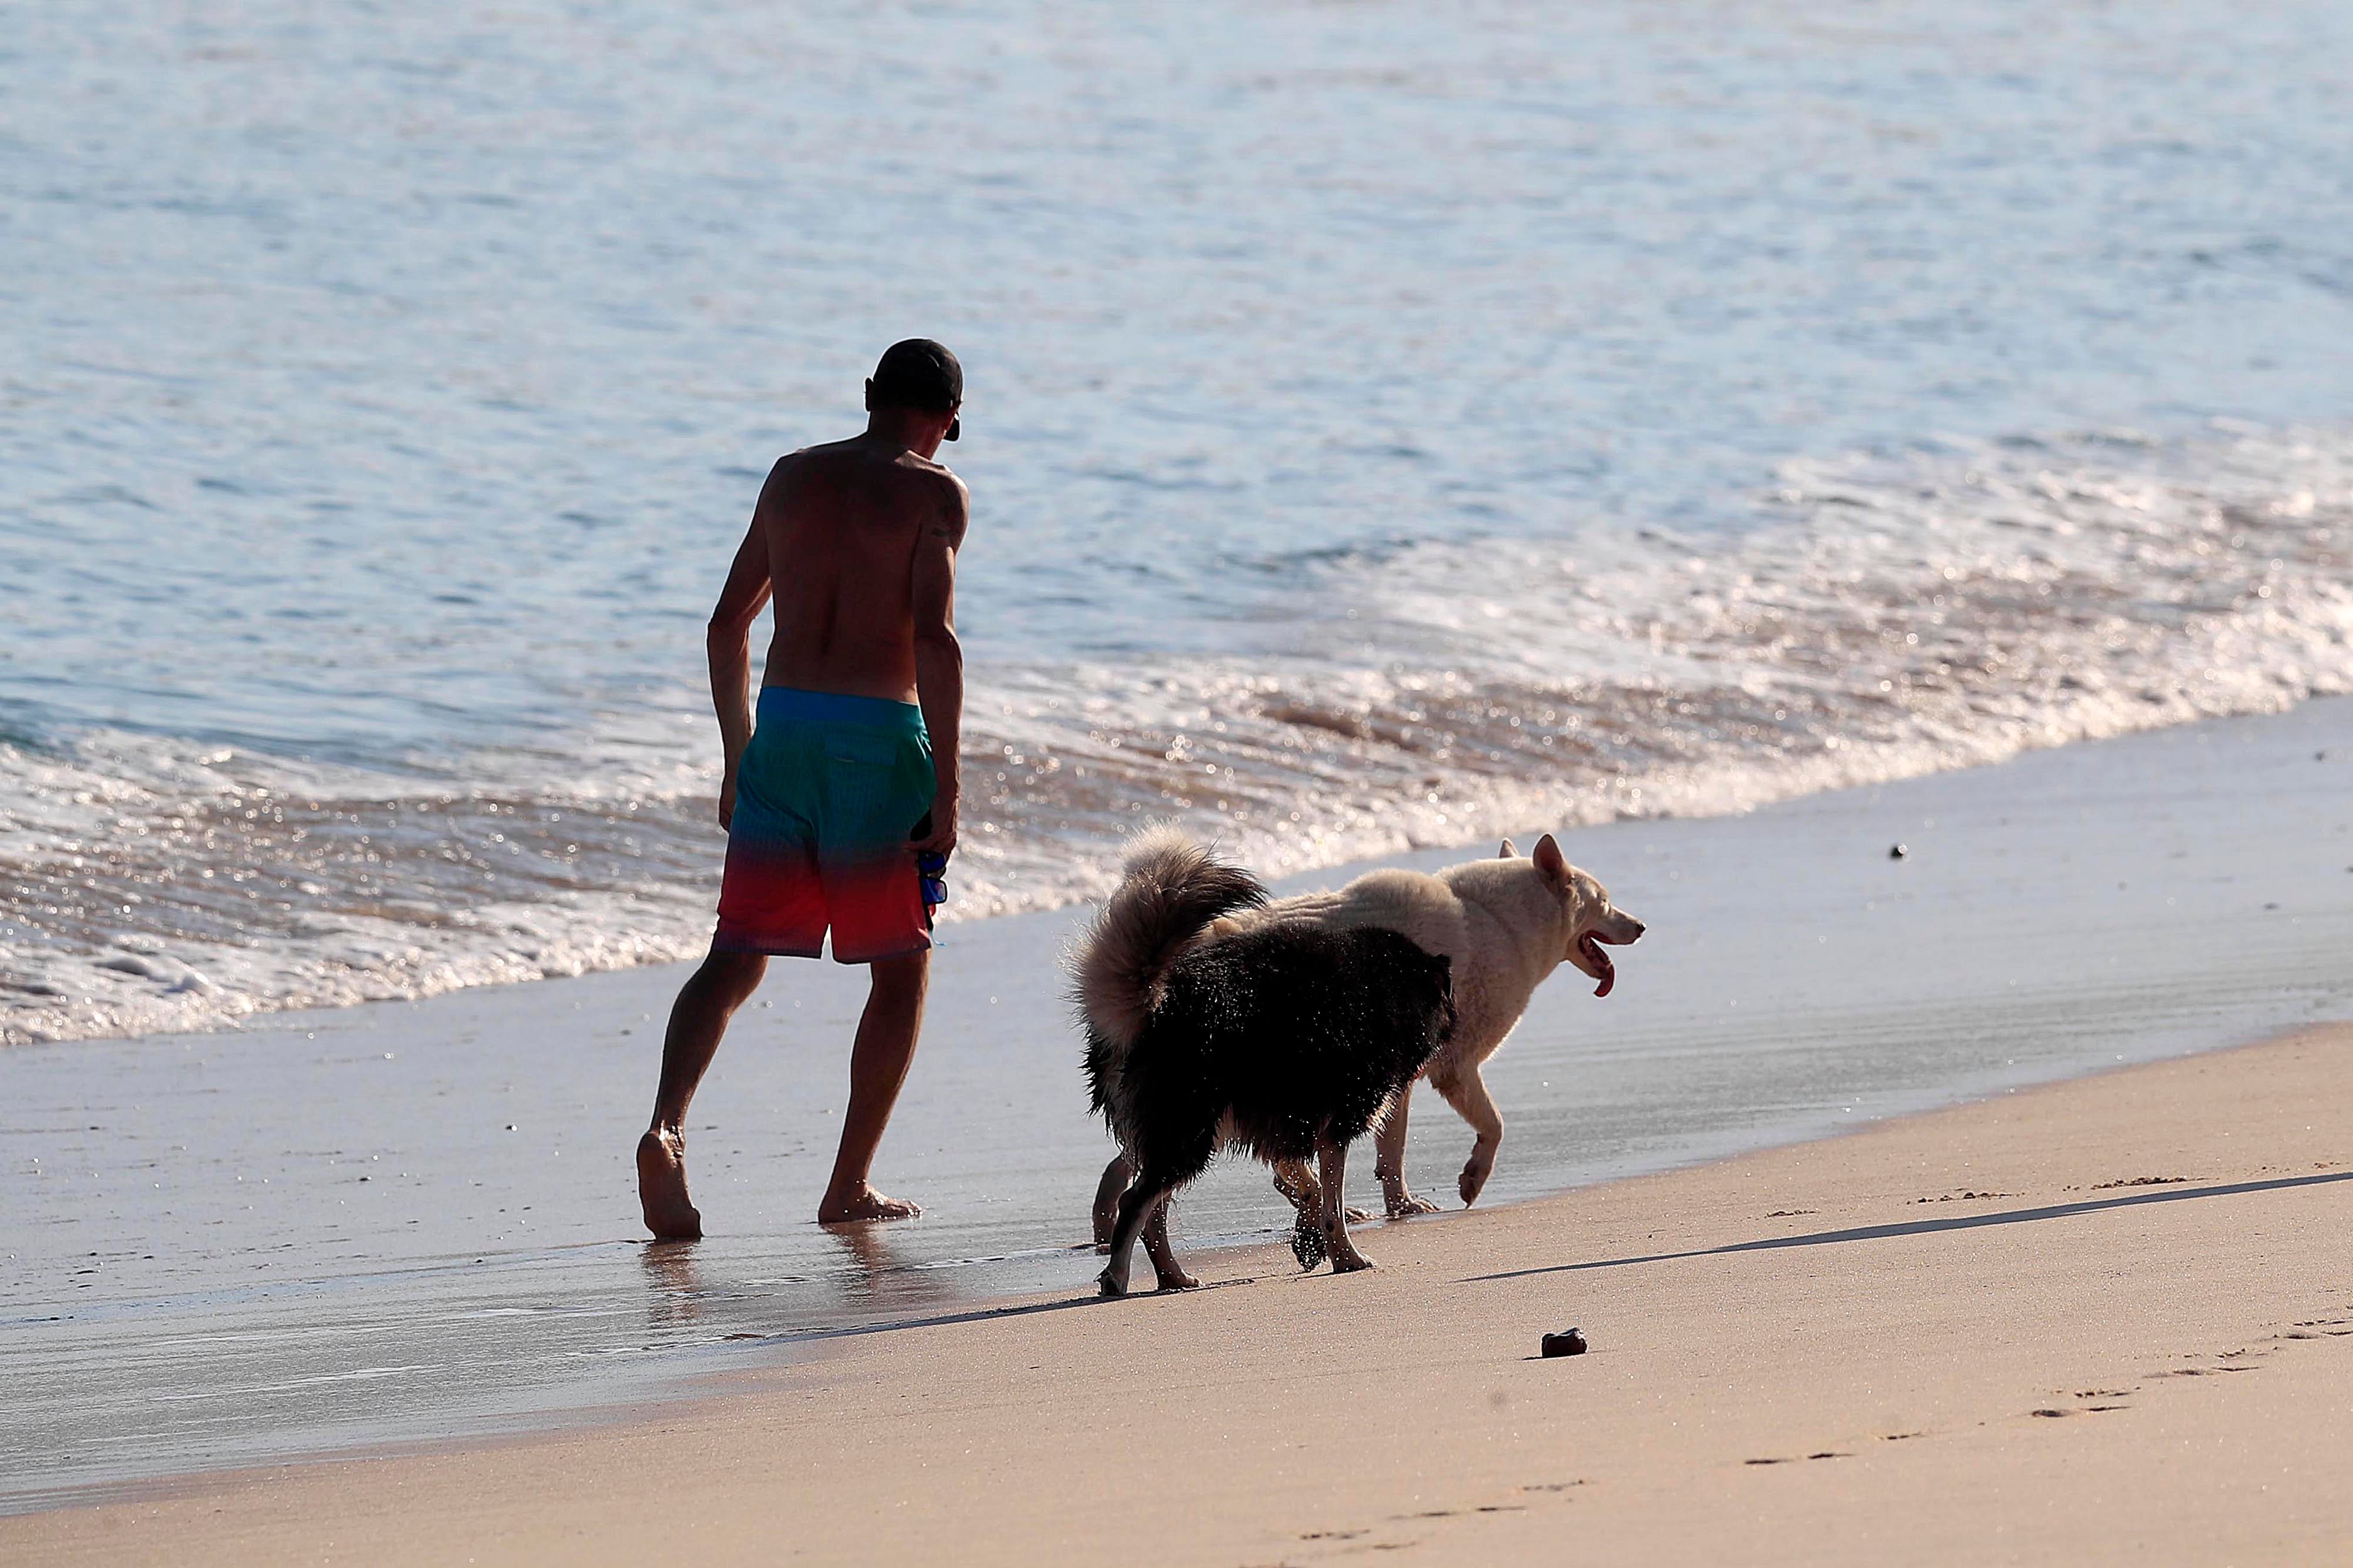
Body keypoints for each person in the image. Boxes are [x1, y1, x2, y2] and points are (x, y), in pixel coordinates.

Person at [636, 339, 967, 1237]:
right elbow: (934, 640)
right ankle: (847, 1186)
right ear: (946, 420)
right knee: (901, 974)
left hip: (782, 733)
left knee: (734, 956)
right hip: (875, 746)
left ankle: (666, 1125)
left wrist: (739, 753)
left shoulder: (789, 478)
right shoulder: (936, 494)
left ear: (868, 396)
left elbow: (724, 628)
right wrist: (949, 786)